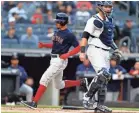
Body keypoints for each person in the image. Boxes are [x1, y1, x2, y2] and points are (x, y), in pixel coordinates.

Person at [21, 13, 88, 109]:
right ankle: (81, 82)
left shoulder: (69, 34)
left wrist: (68, 54)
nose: (56, 23)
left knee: (44, 79)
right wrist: (44, 45)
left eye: (58, 21)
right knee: (58, 85)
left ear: (63, 22)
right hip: (54, 59)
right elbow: (55, 45)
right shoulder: (57, 32)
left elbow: (79, 47)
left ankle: (34, 102)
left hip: (60, 60)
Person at [79, 1, 122, 112]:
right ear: (100, 7)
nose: (109, 9)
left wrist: (116, 49)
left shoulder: (109, 20)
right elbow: (85, 36)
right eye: (106, 6)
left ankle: (100, 105)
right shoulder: (93, 20)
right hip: (95, 49)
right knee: (103, 74)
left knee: (105, 79)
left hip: (106, 51)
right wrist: (82, 51)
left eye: (110, 7)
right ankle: (87, 97)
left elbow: (109, 38)